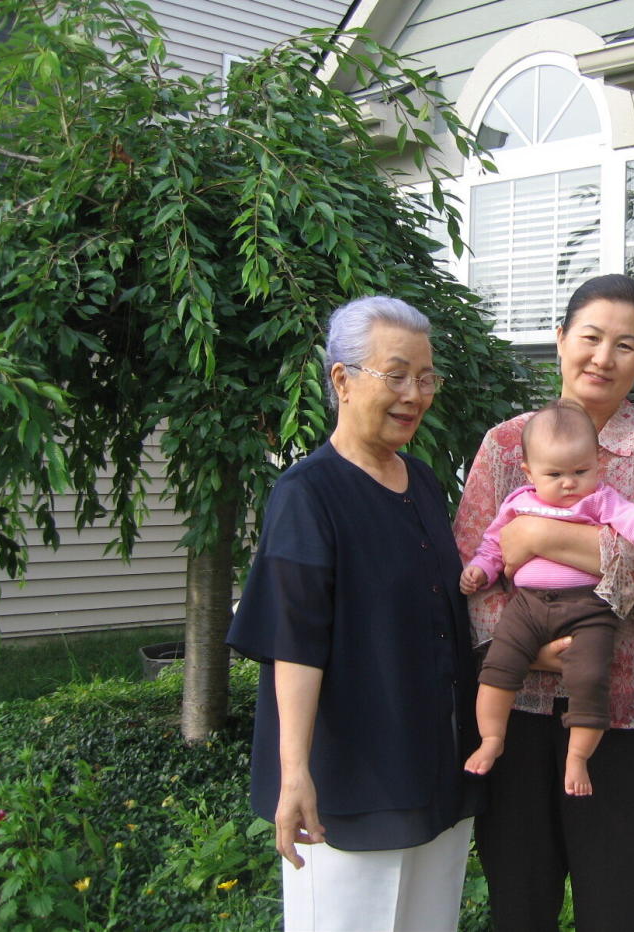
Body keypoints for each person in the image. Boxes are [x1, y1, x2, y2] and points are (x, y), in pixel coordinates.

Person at [226, 296, 482, 932]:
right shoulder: (307, 493)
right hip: (350, 787)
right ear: (341, 380)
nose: (414, 394)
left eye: (425, 378)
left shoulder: (421, 479)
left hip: (434, 776)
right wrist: (294, 775)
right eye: (394, 375)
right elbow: (295, 643)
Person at [454, 274, 634, 932]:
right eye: (590, 337)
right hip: (516, 708)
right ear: (560, 341)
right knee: (519, 897)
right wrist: (531, 649)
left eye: (626, 344)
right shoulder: (505, 446)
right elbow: (473, 564)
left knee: (617, 902)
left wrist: (536, 534)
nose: (603, 357)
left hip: (625, 710)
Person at [460, 399, 634, 797]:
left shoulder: (599, 499)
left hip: (589, 606)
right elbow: (492, 545)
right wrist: (480, 569)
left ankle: (578, 757)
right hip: (526, 607)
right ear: (528, 473)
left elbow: (633, 519)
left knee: (591, 676)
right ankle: (491, 738)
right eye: (555, 474)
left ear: (597, 464)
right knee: (498, 668)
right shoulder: (518, 502)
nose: (569, 483)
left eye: (581, 471)